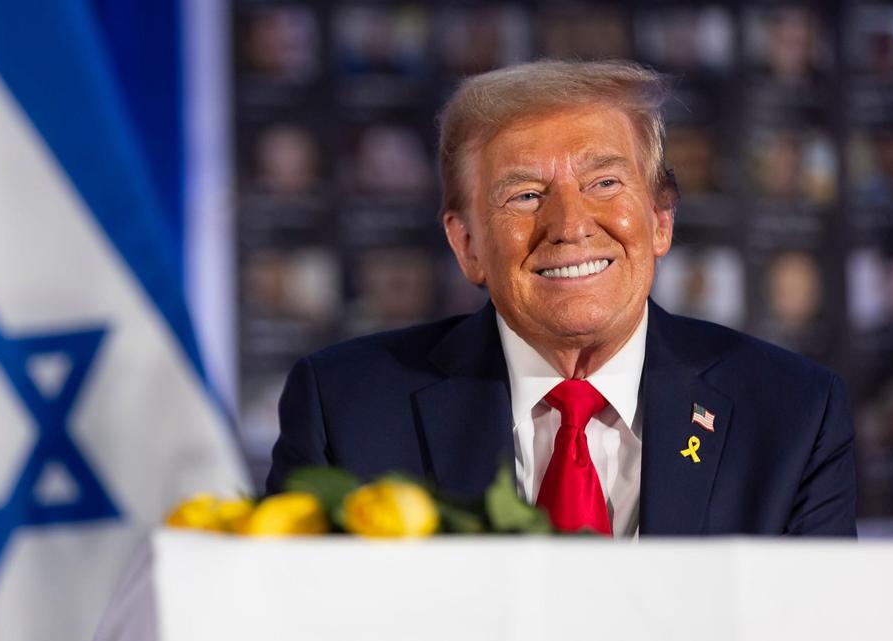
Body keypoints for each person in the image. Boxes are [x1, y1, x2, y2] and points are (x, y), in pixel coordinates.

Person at [267, 60, 856, 537]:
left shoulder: (793, 414)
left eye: (604, 183)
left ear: (660, 220)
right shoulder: (344, 410)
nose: (570, 226)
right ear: (467, 244)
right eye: (525, 195)